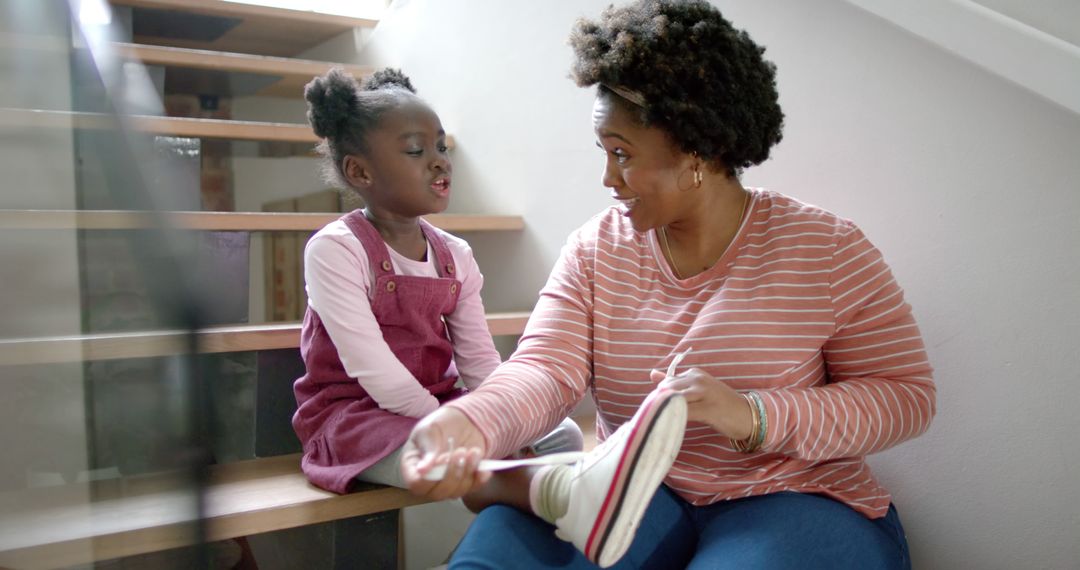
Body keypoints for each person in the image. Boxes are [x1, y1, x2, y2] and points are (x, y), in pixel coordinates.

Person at [401, 1, 937, 568]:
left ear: (698, 152)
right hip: (635, 495)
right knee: (494, 553)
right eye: (604, 152)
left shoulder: (825, 248)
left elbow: (906, 396)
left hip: (795, 496)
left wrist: (750, 414)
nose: (607, 178)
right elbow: (544, 370)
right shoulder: (594, 249)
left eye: (622, 154)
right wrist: (468, 422)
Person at [292, 68, 582, 493]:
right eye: (415, 150)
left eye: (441, 147)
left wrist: (497, 415)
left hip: (440, 404)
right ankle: (548, 498)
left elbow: (482, 364)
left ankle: (534, 497)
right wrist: (448, 427)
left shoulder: (456, 256)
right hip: (356, 417)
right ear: (360, 172)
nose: (440, 160)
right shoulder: (336, 250)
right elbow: (372, 368)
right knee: (431, 457)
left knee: (565, 435)